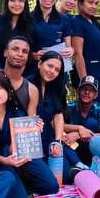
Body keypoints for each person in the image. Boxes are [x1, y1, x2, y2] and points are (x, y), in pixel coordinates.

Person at [0, 69, 59, 195]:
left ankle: (21, 180)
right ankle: (12, 182)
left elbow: (17, 146)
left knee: (51, 187)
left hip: (15, 155)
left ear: (7, 89)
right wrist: (4, 160)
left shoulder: (16, 110)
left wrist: (33, 130)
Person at [28, 51, 72, 180]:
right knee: (48, 180)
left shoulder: (56, 89)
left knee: (65, 176)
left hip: (48, 139)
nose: (52, 71)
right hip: (31, 141)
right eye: (50, 66)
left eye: (57, 70)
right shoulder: (27, 84)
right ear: (40, 64)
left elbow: (58, 115)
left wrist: (57, 141)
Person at [71, 0, 100, 104]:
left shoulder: (94, 22)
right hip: (88, 78)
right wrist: (85, 83)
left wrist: (98, 16)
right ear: (81, 3)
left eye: (96, 3)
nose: (94, 6)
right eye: (90, 2)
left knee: (97, 114)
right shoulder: (77, 22)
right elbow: (78, 54)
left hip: (98, 78)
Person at [31, 0, 74, 80]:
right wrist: (33, 55)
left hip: (58, 70)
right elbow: (23, 43)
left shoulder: (64, 19)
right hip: (34, 69)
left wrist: (70, 51)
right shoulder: (28, 18)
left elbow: (69, 46)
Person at [64, 76, 100, 165]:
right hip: (75, 152)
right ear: (78, 91)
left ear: (96, 95)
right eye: (84, 89)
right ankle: (78, 166)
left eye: (91, 90)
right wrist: (79, 128)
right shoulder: (70, 108)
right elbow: (56, 125)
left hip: (94, 154)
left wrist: (78, 135)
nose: (87, 92)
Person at [0, 0, 34, 68]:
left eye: (21, 0)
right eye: (13, 0)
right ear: (7, 2)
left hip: (17, 74)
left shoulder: (29, 26)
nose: (17, 4)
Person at [3, 36, 40, 115]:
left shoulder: (31, 89)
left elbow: (31, 122)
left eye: (25, 51)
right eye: (15, 49)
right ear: (5, 52)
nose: (20, 54)